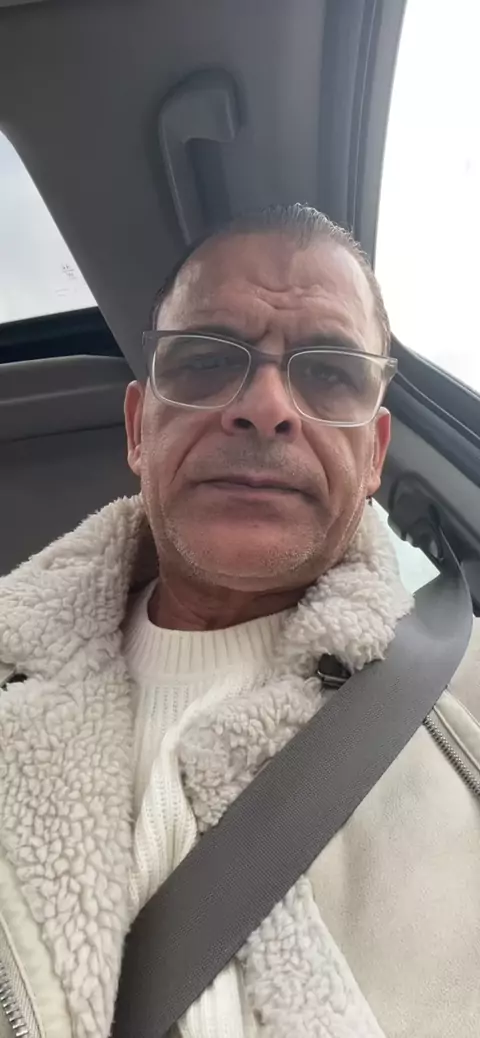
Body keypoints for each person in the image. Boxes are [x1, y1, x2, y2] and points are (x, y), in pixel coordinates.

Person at [0, 204, 479, 1038]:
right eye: (206, 360)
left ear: (374, 453)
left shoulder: (464, 710)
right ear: (138, 429)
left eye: (329, 374)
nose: (264, 406)